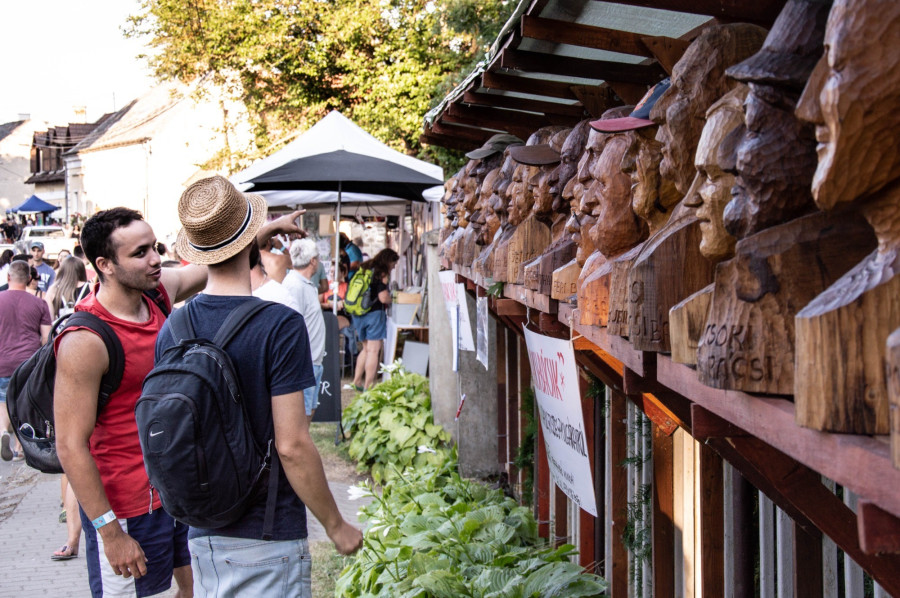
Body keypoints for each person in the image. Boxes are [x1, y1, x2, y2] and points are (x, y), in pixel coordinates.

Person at [54, 202, 303, 598]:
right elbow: (69, 444)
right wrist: (111, 533)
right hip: (128, 510)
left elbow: (216, 260)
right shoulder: (86, 340)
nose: (156, 260)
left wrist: (266, 229)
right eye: (140, 253)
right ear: (105, 265)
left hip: (180, 496)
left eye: (155, 247)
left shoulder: (157, 295)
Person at [157, 176, 362, 597]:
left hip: (201, 531)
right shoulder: (279, 325)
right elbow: (292, 445)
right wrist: (336, 525)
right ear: (253, 244)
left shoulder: (174, 326)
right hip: (266, 533)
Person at [0, 261, 51, 462]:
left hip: (2, 361)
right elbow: (46, 338)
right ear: (29, 279)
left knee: (3, 401)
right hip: (28, 362)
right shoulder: (39, 303)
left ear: (8, 277)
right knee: (24, 404)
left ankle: (3, 431)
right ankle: (20, 447)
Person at [283, 239, 326, 421]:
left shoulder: (306, 284)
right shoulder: (295, 286)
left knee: (310, 410)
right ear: (313, 261)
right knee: (303, 416)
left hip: (313, 360)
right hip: (305, 362)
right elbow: (290, 327)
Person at [351, 248, 399, 390]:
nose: (393, 267)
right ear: (388, 261)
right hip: (374, 315)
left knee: (366, 349)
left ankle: (356, 381)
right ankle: (368, 387)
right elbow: (383, 297)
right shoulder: (381, 272)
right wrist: (393, 299)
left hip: (358, 313)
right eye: (393, 264)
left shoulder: (365, 267)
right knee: (373, 351)